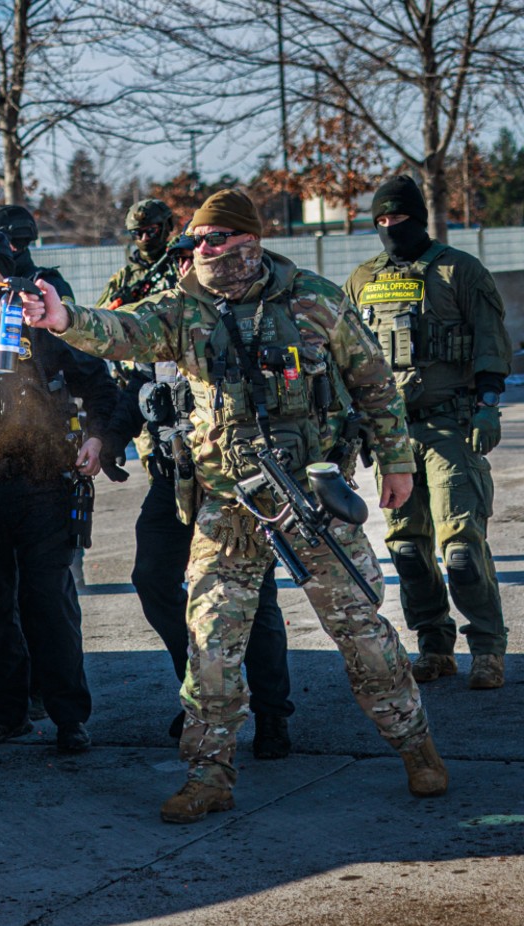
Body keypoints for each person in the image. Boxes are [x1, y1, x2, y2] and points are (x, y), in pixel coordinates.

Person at [23, 187, 448, 823]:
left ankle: (416, 747)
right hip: (226, 505)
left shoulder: (314, 299)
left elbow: (375, 385)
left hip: (311, 497)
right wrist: (63, 319)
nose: (204, 253)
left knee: (362, 630)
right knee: (211, 644)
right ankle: (209, 774)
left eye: (216, 241)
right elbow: (123, 331)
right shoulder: (183, 308)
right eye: (196, 243)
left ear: (249, 241)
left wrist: (397, 463)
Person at [0, 221, 130, 754]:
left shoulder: (39, 325)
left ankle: (68, 718)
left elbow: (102, 386)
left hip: (41, 485)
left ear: (7, 274)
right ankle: (4, 715)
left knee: (46, 601)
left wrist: (98, 440)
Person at [102, 203, 296, 756]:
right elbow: (134, 390)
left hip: (234, 483)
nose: (187, 266)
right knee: (152, 578)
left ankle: (272, 714)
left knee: (253, 600)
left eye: (194, 255)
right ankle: (202, 695)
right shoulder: (162, 317)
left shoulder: (237, 315)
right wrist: (114, 439)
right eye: (182, 257)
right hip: (173, 479)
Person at [345, 176, 508, 690]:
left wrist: (487, 404)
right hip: (392, 437)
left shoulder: (461, 269)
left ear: (420, 217)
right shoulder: (362, 280)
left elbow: (490, 340)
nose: (391, 228)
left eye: (399, 218)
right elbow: (347, 357)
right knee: (408, 548)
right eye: (382, 221)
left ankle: (486, 648)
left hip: (451, 424)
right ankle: (434, 646)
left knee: (459, 545)